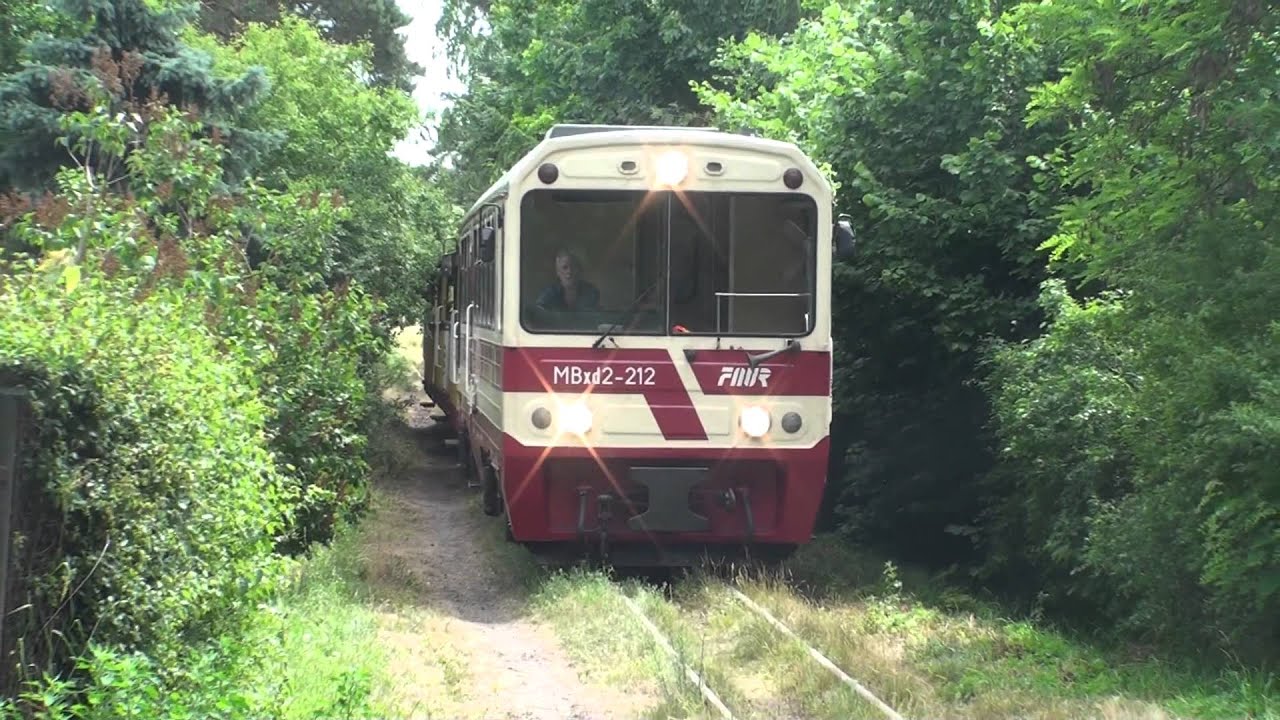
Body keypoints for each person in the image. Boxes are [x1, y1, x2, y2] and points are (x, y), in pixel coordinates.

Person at [535, 249, 600, 311]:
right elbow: (538, 311)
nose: (569, 271)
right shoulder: (549, 293)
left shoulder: (591, 292)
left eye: (574, 267)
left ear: (579, 270)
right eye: (565, 268)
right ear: (558, 272)